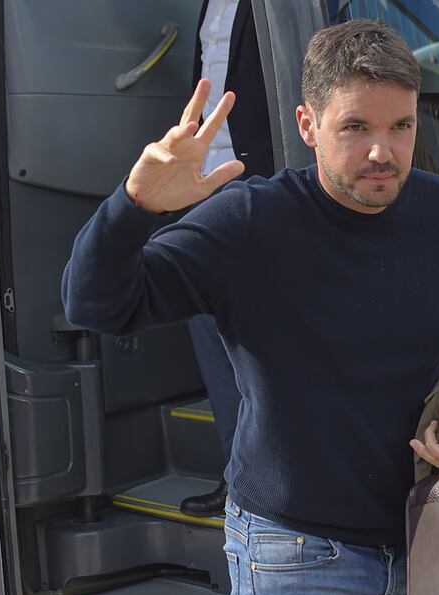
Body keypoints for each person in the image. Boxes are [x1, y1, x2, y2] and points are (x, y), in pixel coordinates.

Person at [63, 20, 439, 595]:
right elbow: (97, 306)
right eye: (356, 128)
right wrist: (135, 205)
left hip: (419, 538)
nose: (383, 151)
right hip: (294, 556)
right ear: (307, 125)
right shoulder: (249, 221)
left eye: (401, 126)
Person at [181, 0, 275, 517]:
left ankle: (268, 478)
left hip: (261, 183)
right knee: (205, 322)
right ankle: (238, 479)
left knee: (259, 331)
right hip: (205, 185)